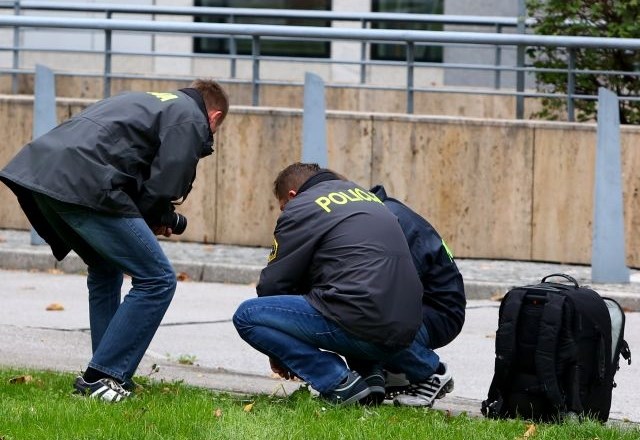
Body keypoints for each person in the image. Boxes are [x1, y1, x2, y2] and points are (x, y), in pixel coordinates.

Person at [0, 79, 229, 402]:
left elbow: (120, 158)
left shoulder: (145, 99)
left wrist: (150, 214)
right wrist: (158, 216)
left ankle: (105, 375)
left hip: (44, 175)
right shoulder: (190, 116)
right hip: (84, 184)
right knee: (158, 279)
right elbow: (165, 183)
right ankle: (102, 376)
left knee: (106, 269)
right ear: (215, 117)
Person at [232, 162, 442, 405]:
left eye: (282, 207)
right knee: (343, 296)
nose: (283, 212)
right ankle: (372, 377)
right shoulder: (366, 197)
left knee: (248, 315)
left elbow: (274, 284)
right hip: (407, 324)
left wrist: (277, 350)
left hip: (357, 319)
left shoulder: (301, 206)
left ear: (291, 195)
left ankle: (338, 382)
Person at [367, 184, 466, 407]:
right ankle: (394, 373)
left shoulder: (392, 220)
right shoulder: (380, 213)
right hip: (428, 304)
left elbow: (399, 287)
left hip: (439, 313)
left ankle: (430, 374)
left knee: (360, 315)